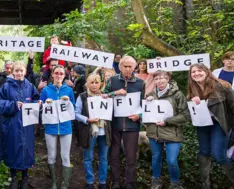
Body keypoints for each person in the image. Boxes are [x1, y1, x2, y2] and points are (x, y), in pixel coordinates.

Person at [188, 63, 234, 189]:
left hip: (220, 124)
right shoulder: (193, 89)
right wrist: (194, 102)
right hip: (203, 125)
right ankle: (205, 185)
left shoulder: (223, 86)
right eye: (193, 72)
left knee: (219, 155)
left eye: (199, 71)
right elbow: (191, 112)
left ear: (207, 72)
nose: (196, 73)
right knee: (204, 153)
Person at [0, 61, 40, 189]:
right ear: (13, 72)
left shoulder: (30, 86)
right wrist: (13, 105)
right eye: (17, 71)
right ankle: (14, 177)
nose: (19, 73)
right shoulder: (6, 86)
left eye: (21, 71)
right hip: (12, 123)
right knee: (13, 148)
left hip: (27, 124)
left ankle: (25, 177)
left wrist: (38, 103)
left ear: (25, 72)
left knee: (27, 148)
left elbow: (36, 98)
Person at [104, 56, 144, 189]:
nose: (127, 69)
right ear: (120, 67)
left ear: (135, 67)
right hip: (115, 124)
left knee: (131, 156)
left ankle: (130, 183)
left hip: (132, 125)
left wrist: (139, 115)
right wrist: (115, 93)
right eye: (125, 66)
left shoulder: (140, 83)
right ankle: (115, 182)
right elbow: (103, 96)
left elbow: (145, 105)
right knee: (114, 154)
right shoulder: (112, 80)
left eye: (130, 66)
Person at [144, 71, 189, 189]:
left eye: (162, 78)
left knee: (172, 160)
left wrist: (167, 121)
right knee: (156, 158)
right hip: (155, 133)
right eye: (157, 79)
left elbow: (186, 115)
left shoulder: (177, 94)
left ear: (168, 79)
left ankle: (175, 182)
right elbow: (145, 113)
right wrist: (146, 103)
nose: (160, 81)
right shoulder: (151, 94)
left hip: (172, 133)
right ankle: (156, 180)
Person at [40, 65, 76, 189]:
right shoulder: (45, 90)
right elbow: (41, 109)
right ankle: (54, 182)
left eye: (61, 73)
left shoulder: (69, 90)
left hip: (66, 127)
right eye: (57, 73)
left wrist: (69, 102)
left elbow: (74, 109)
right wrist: (45, 103)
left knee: (65, 156)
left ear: (64, 75)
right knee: (51, 155)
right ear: (52, 75)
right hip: (51, 127)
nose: (59, 76)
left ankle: (65, 184)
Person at [75, 73, 111, 189]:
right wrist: (87, 119)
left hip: (104, 131)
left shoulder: (105, 96)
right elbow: (76, 114)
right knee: (88, 158)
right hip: (89, 131)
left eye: (96, 82)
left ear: (100, 84)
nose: (94, 85)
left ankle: (102, 182)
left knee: (104, 158)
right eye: (92, 82)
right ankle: (90, 182)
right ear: (87, 84)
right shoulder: (82, 96)